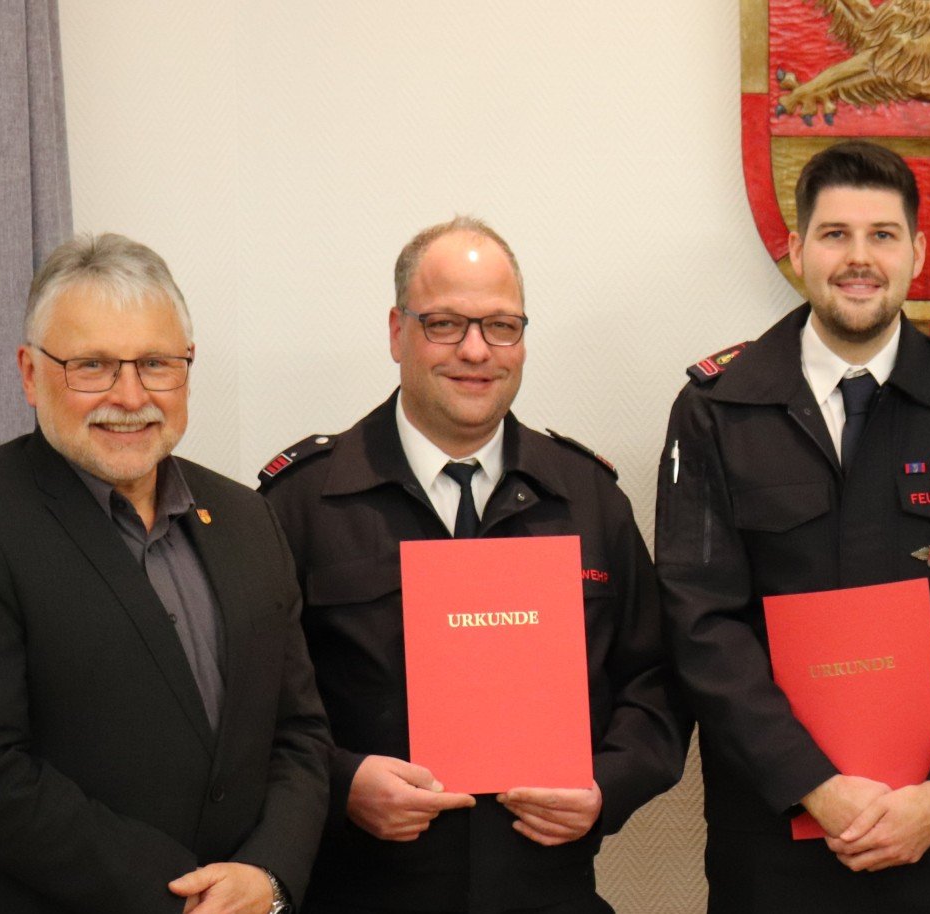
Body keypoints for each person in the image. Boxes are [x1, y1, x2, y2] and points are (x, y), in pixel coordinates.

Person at [654, 140, 930, 913]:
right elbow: (701, 623)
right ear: (797, 249)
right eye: (835, 234)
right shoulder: (717, 407)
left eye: (882, 235)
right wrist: (814, 786)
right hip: (774, 837)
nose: (858, 258)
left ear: (918, 252)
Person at [257, 216, 688, 914]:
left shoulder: (587, 499)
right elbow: (252, 703)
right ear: (397, 332)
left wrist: (607, 785)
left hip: (546, 892)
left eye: (501, 326)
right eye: (446, 324)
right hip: (363, 893)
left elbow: (657, 680)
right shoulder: (303, 502)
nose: (477, 351)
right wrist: (343, 782)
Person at [0, 233, 329, 913]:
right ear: (29, 372)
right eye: (92, 366)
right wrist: (181, 896)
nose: (130, 395)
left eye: (157, 364)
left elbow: (299, 734)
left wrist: (269, 872)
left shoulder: (248, 518)